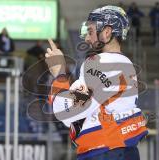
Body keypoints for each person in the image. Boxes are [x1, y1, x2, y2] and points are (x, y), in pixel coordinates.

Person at [45, 5, 148, 160]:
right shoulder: (125, 64)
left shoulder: (99, 62)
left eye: (91, 31)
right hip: (121, 149)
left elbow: (67, 111)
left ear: (107, 32)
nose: (87, 38)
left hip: (104, 151)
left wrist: (59, 74)